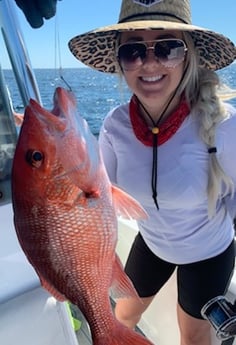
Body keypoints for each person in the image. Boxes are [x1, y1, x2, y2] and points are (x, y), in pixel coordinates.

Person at [68, 1, 236, 344]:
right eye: (132, 51)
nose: (148, 63)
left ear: (188, 55)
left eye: (167, 47)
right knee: (122, 316)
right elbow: (101, 196)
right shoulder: (115, 126)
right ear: (121, 62)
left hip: (208, 253)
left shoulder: (225, 126)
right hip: (153, 243)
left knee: (193, 339)